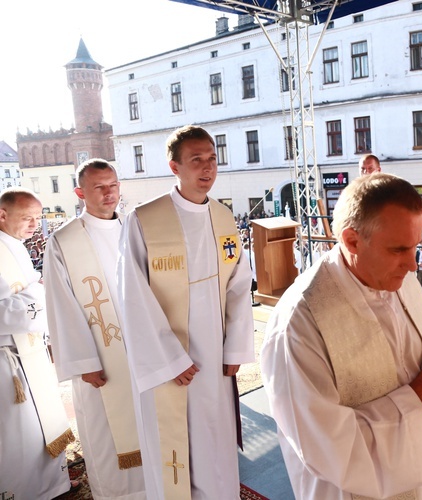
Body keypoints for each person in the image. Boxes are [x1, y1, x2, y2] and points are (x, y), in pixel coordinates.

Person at [261, 173, 422, 499]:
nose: (412, 265)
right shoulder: (300, 323)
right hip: (353, 487)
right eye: (398, 249)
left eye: (414, 246)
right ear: (352, 240)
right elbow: (321, 440)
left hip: (419, 471)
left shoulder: (399, 277)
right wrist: (415, 400)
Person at [118, 125, 256, 499]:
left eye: (212, 159)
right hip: (169, 361)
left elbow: (240, 286)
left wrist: (237, 348)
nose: (208, 168)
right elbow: (132, 294)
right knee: (176, 450)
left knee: (215, 439)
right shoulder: (144, 220)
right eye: (197, 160)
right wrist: (169, 358)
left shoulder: (224, 218)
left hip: (214, 357)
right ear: (174, 167)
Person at [44, 159, 146, 499]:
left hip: (145, 352)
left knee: (153, 429)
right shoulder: (64, 241)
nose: (108, 193)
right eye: (99, 187)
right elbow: (62, 304)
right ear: (79, 192)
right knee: (107, 437)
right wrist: (84, 361)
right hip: (99, 356)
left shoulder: (136, 229)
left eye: (113, 185)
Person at [0, 188, 76, 500]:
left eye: (37, 217)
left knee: (38, 427)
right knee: (17, 434)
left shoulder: (15, 246)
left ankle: (49, 486)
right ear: (2, 215)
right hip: (8, 364)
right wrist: (41, 294)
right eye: (26, 218)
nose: (35, 224)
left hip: (28, 353)